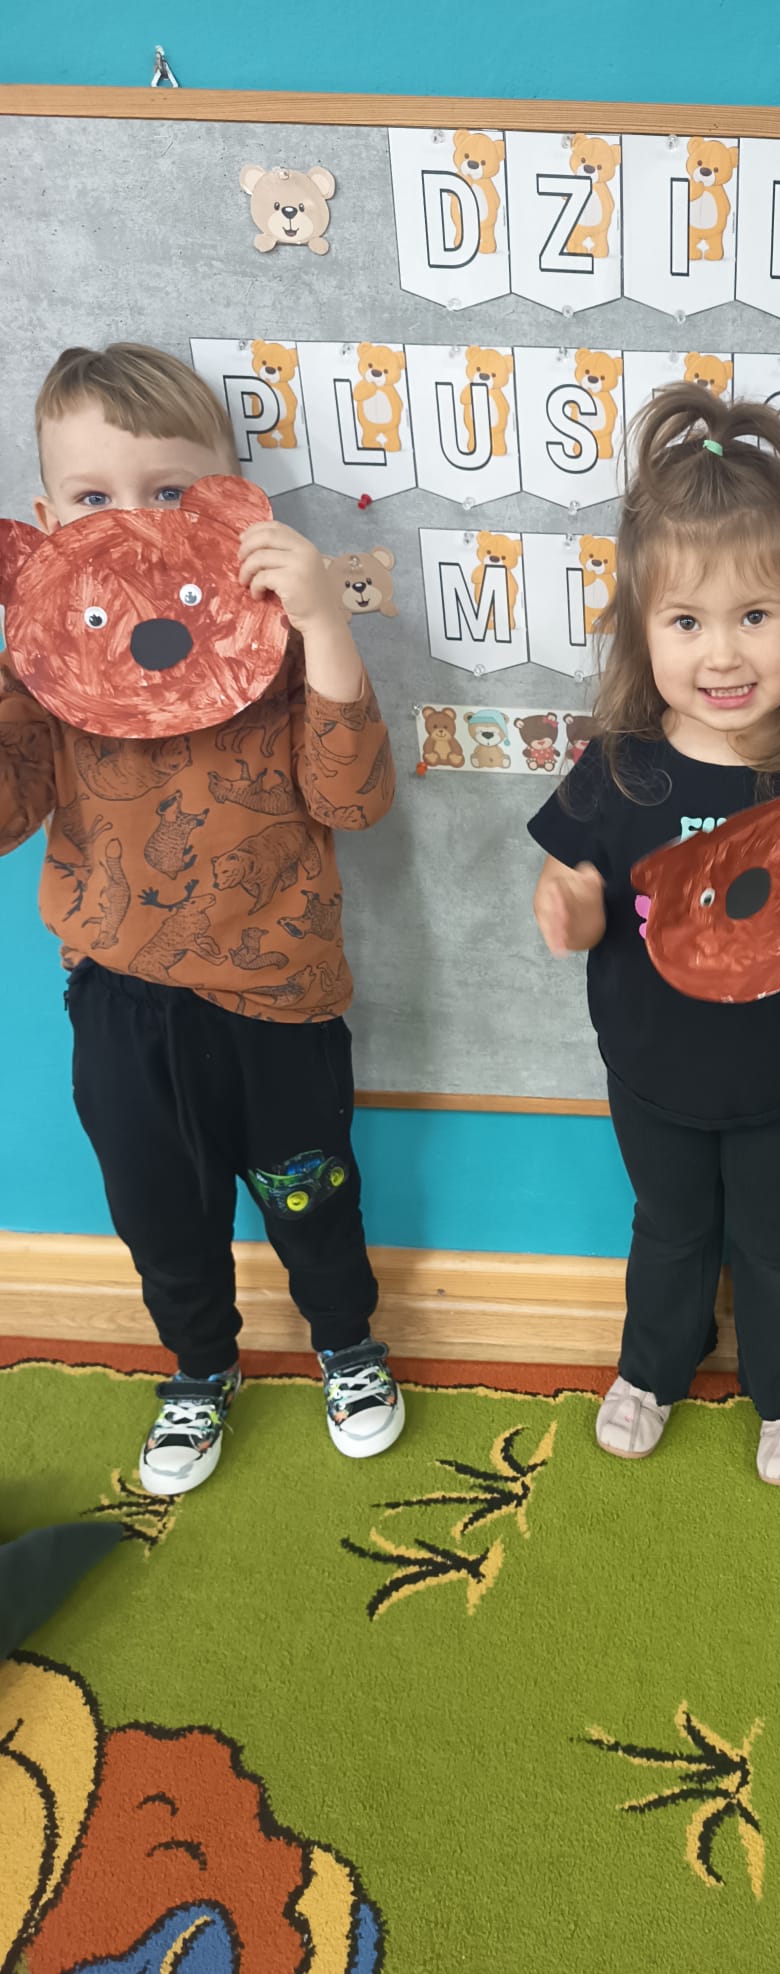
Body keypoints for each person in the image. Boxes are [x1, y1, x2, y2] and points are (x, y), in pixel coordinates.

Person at [0, 344, 405, 1495]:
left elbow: (354, 799)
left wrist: (323, 622)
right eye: (95, 496)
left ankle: (347, 1344)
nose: (134, 522)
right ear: (49, 520)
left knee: (313, 1194)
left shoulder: (273, 641)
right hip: (121, 1002)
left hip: (279, 994)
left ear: (230, 506)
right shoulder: (47, 657)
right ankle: (198, 1368)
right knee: (159, 1209)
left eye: (171, 491)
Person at [528, 384, 780, 1487]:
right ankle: (654, 1363)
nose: (723, 653)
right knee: (667, 1228)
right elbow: (572, 894)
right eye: (687, 621)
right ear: (641, 629)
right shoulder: (618, 769)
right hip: (650, 1075)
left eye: (755, 615)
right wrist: (570, 909)